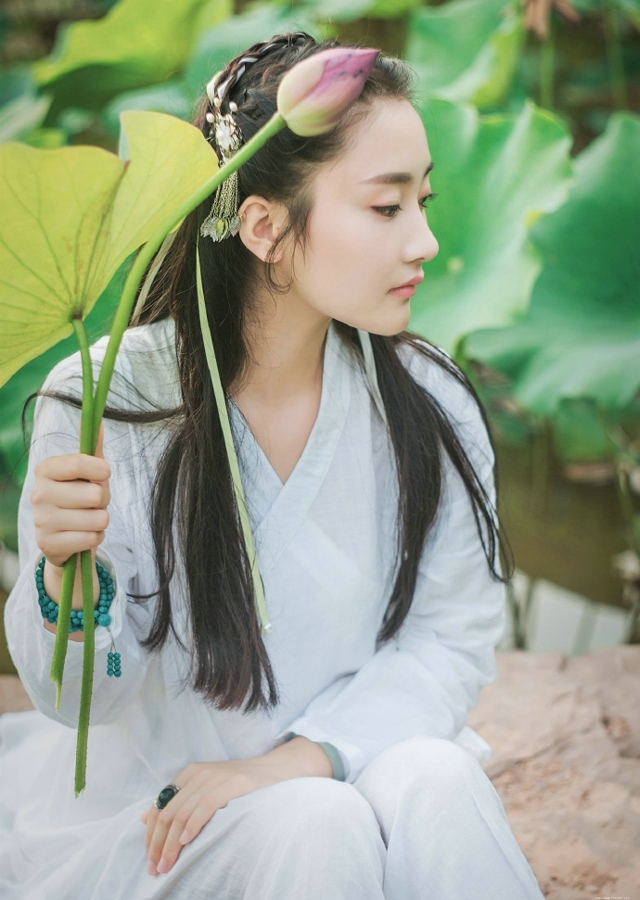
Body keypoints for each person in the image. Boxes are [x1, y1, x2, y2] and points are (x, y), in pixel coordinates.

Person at [0, 31, 545, 900]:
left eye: (424, 201)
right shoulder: (107, 399)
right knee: (314, 824)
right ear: (264, 228)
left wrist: (297, 760)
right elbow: (76, 703)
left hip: (348, 763)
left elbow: (449, 637)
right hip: (159, 817)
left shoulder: (428, 397)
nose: (428, 243)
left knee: (436, 779)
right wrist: (66, 573)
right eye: (386, 207)